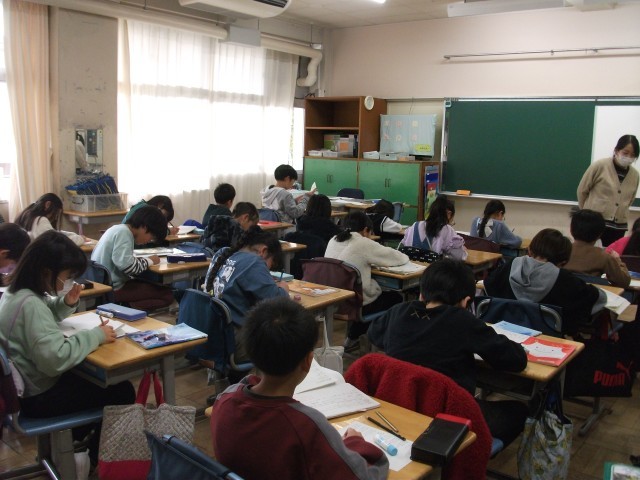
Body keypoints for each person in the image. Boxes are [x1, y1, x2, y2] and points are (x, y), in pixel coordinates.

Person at [210, 296, 389, 480]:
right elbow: (363, 477)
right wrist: (356, 442)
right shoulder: (306, 426)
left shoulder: (225, 400)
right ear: (308, 361)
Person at [0, 231, 135, 465]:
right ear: (46, 272)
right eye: (67, 276)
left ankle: (69, 444)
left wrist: (65, 303)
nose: (69, 281)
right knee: (122, 391)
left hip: (25, 389)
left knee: (91, 378)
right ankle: (90, 459)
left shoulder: (16, 292)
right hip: (38, 398)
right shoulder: (30, 304)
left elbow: (43, 313)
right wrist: (95, 336)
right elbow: (56, 359)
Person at [368, 259, 529, 447]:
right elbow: (515, 360)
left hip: (399, 406)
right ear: (466, 302)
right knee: (519, 411)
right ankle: (469, 450)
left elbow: (374, 335)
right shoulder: (464, 321)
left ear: (422, 294)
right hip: (449, 416)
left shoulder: (398, 311)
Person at [485, 228, 607, 336]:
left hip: (503, 335)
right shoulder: (565, 280)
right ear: (563, 262)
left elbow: (487, 288)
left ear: (529, 250)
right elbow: (598, 299)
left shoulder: (508, 267)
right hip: (548, 343)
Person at [203, 227, 289, 361]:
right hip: (234, 340)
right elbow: (278, 302)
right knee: (285, 337)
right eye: (270, 265)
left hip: (211, 331)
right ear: (263, 251)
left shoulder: (222, 253)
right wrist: (284, 288)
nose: (268, 270)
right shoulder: (254, 262)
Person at [325, 210, 408, 348]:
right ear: (365, 230)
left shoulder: (334, 239)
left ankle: (352, 338)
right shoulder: (362, 242)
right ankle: (374, 340)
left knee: (367, 294)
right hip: (353, 304)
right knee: (396, 298)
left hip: (333, 301)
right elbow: (398, 257)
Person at [92, 205, 174, 310]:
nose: (148, 241)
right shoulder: (124, 233)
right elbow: (128, 267)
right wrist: (150, 260)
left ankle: (125, 306)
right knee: (167, 295)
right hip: (112, 289)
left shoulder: (116, 228)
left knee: (148, 285)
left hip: (102, 283)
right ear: (144, 227)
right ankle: (125, 308)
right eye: (151, 237)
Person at [577, 134, 640, 246]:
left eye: (633, 155)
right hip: (594, 224)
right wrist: (586, 214)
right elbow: (582, 191)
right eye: (625, 153)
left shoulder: (635, 175)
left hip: (619, 227)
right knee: (590, 253)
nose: (628, 157)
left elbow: (630, 199)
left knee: (611, 255)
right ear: (616, 150)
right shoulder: (600, 166)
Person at [564, 209, 630, 288]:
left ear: (571, 230)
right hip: (590, 294)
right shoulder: (604, 257)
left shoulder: (561, 250)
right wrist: (618, 261)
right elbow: (623, 282)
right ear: (600, 234)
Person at [400, 194, 467, 260]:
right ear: (449, 213)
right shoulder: (447, 230)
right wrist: (462, 249)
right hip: (431, 266)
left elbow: (404, 244)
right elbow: (459, 256)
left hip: (410, 265)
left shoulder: (415, 225)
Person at [15, 192, 85, 246]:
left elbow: (54, 233)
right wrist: (80, 239)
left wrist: (74, 235)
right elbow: (56, 242)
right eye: (56, 213)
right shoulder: (40, 220)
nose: (55, 217)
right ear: (47, 204)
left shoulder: (26, 215)